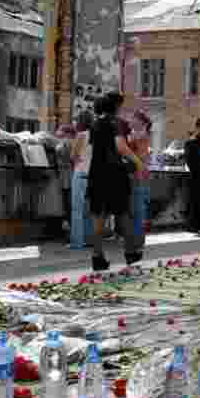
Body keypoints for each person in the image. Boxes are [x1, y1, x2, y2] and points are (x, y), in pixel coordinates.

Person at [86, 91, 142, 271]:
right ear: (116, 106)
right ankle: (130, 252)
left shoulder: (94, 124)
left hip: (96, 173)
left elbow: (92, 150)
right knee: (122, 213)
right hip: (114, 174)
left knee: (98, 216)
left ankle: (97, 256)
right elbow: (120, 146)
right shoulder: (116, 123)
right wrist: (138, 162)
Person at [69, 110, 94, 250]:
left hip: (80, 174)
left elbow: (73, 156)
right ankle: (89, 239)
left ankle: (77, 242)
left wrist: (77, 160)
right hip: (92, 176)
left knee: (77, 210)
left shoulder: (81, 135)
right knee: (89, 210)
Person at [127, 111, 153, 248]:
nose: (131, 120)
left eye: (133, 118)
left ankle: (137, 238)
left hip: (139, 173)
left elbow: (140, 155)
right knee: (136, 207)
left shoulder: (140, 134)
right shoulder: (138, 133)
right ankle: (136, 237)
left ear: (141, 121)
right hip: (138, 173)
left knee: (138, 208)